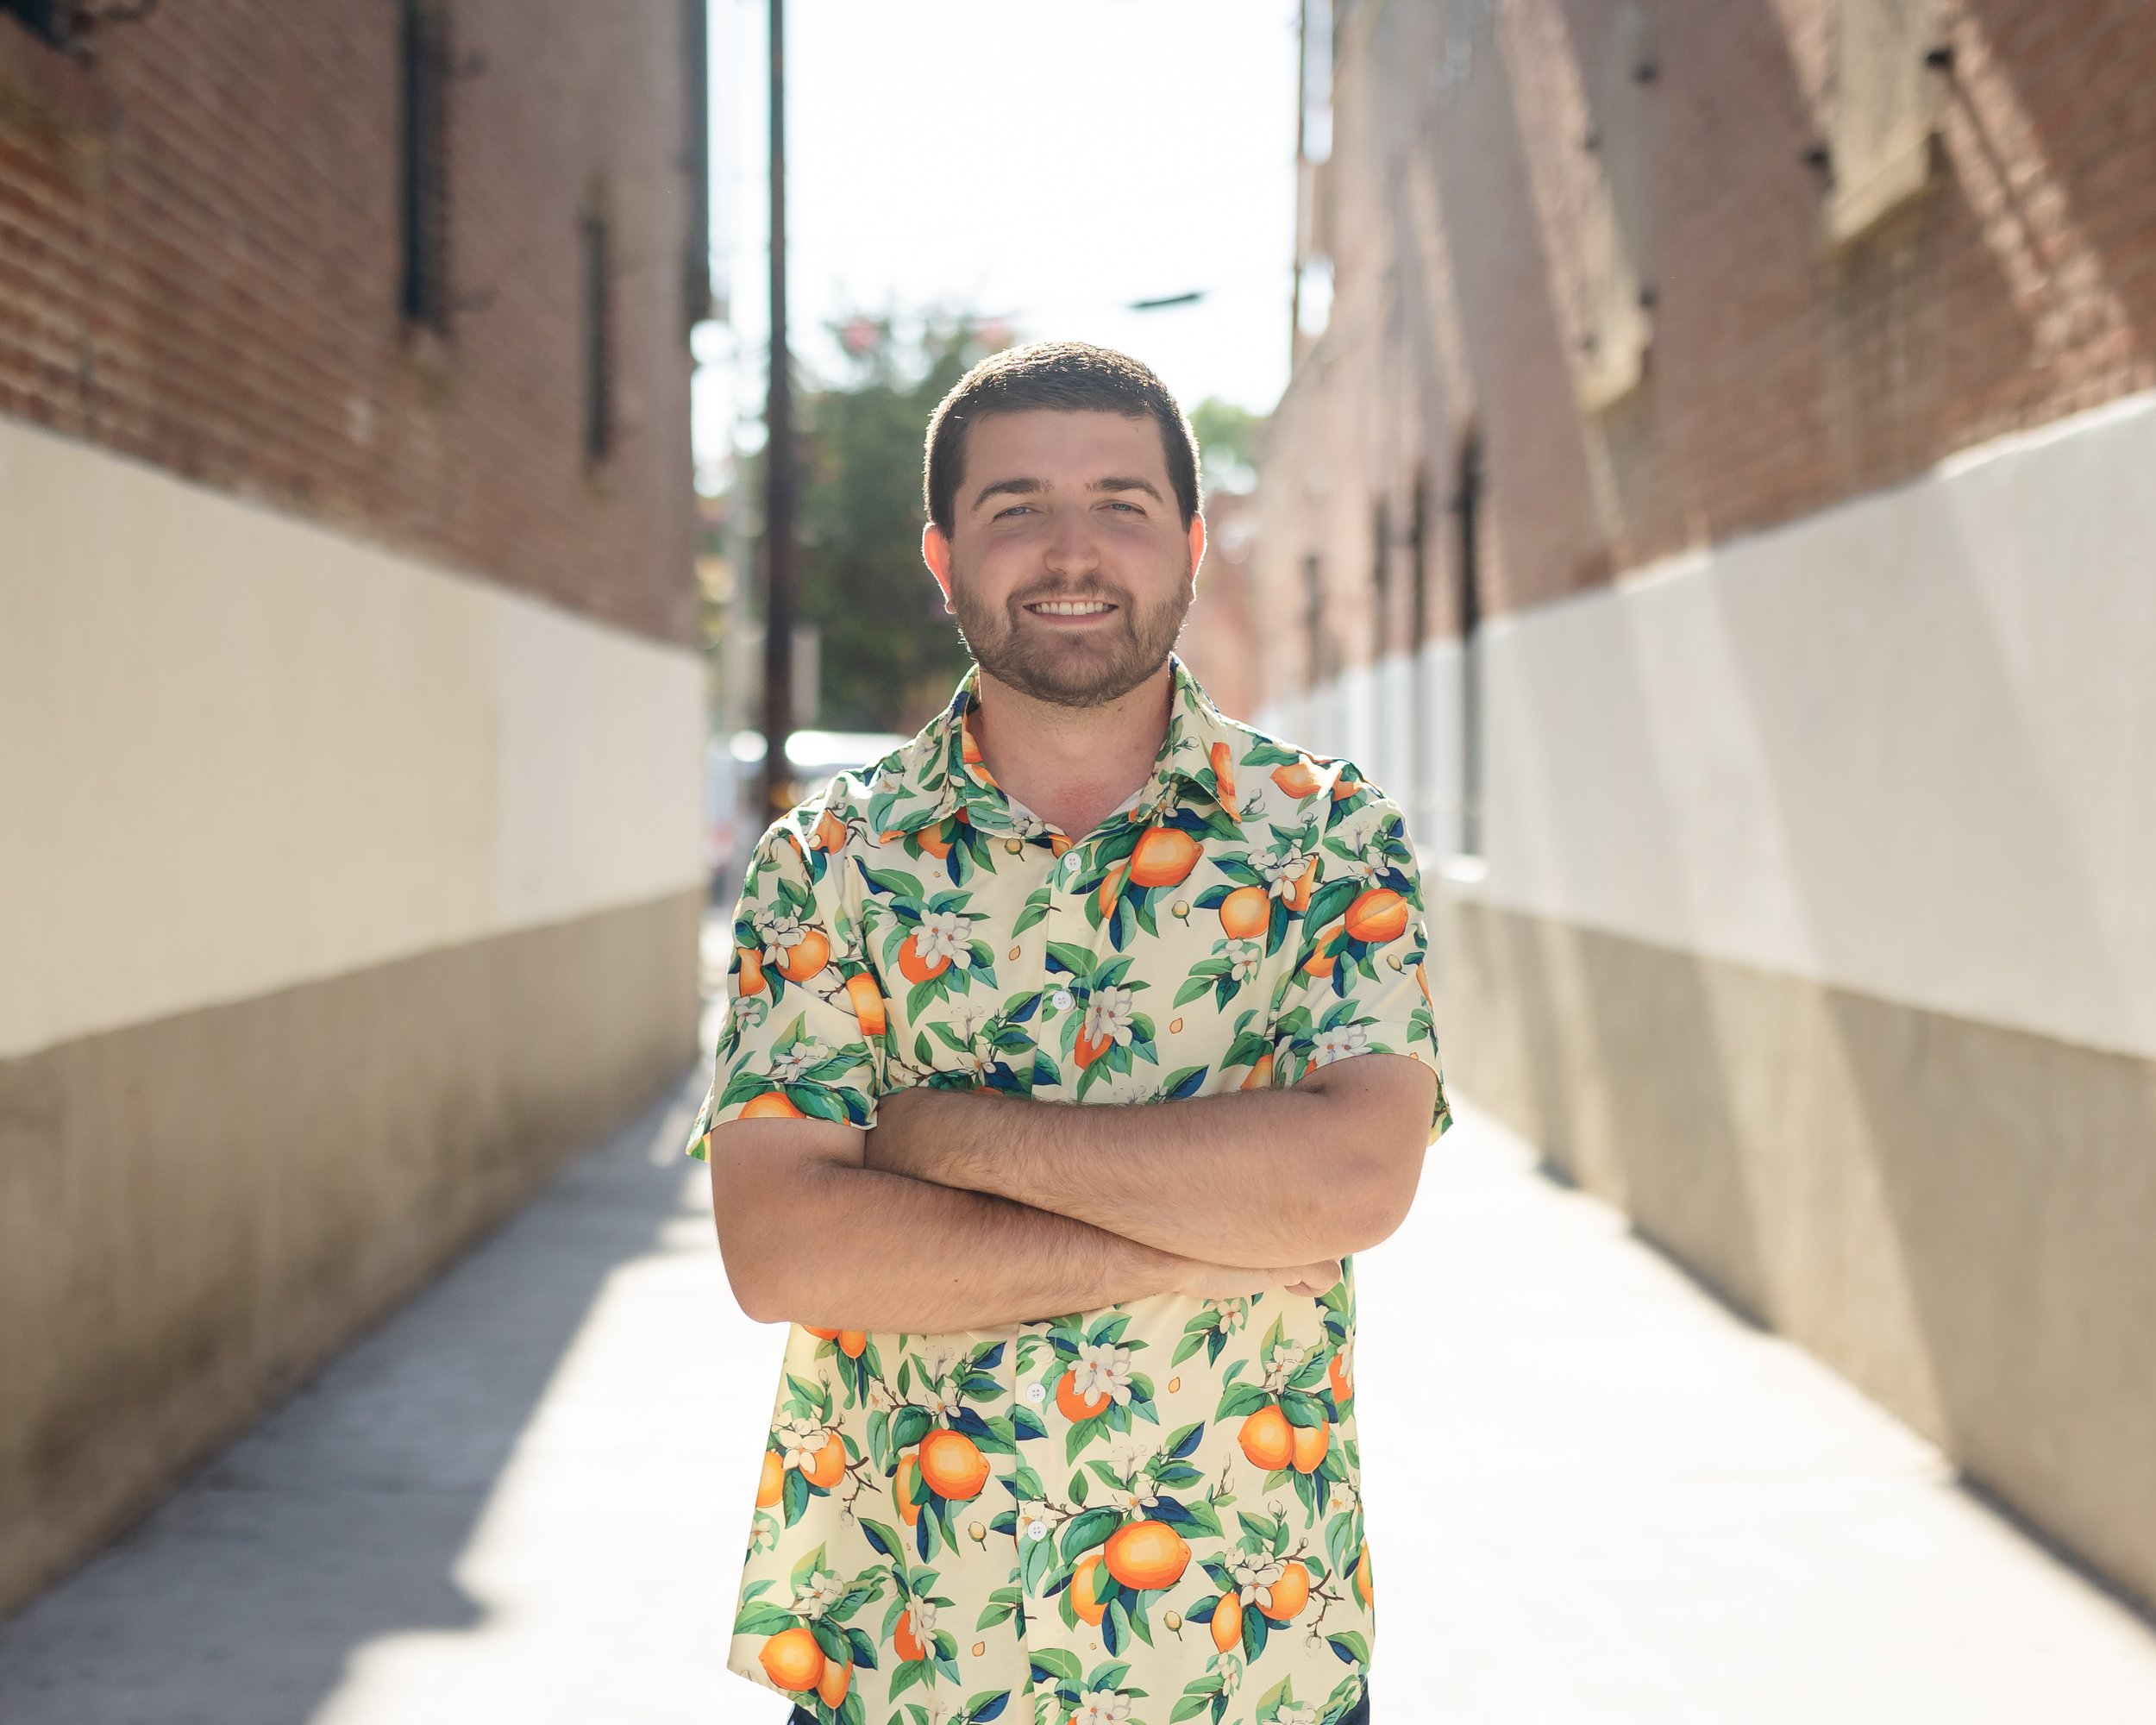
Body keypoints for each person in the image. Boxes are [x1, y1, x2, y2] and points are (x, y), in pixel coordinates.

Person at [691, 341, 1449, 1725]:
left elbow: (1354, 1183)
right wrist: (1210, 1233)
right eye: (1015, 508)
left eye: (1122, 503)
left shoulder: (1328, 841)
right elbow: (785, 1247)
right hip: (903, 1646)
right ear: (942, 557)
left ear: (1195, 545)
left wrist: (947, 1140)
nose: (1071, 551)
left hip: (1241, 1654)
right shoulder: (828, 868)